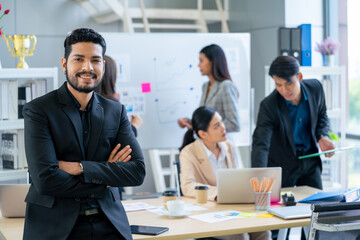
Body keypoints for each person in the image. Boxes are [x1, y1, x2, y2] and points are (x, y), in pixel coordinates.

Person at [22, 28, 145, 240]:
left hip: (110, 224)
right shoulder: (38, 110)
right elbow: (46, 180)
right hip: (56, 228)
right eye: (78, 59)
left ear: (103, 66)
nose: (87, 67)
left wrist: (79, 168)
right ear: (64, 63)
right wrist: (105, 177)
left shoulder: (116, 111)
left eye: (95, 60)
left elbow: (136, 171)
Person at [179, 106, 271, 240]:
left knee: (264, 231)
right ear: (203, 134)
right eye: (216, 126)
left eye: (221, 122)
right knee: (240, 236)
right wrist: (217, 193)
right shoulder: (189, 152)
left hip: (232, 211)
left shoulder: (228, 146)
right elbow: (187, 186)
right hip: (207, 215)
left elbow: (239, 176)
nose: (223, 127)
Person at [251, 56, 335, 190]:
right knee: (279, 207)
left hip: (310, 161)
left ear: (299, 77)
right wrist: (259, 177)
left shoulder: (316, 88)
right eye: (278, 85)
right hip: (282, 164)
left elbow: (321, 115)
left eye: (289, 83)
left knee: (316, 204)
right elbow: (261, 144)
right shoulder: (269, 105)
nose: (284, 90)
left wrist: (322, 136)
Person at [178, 44, 242, 166]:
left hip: (223, 150)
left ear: (213, 62)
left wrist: (212, 130)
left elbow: (234, 124)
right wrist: (191, 122)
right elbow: (207, 121)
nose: (198, 65)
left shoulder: (226, 86)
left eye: (201, 60)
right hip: (206, 149)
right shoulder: (205, 87)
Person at [94, 55, 143, 137]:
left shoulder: (88, 101)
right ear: (111, 76)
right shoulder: (111, 105)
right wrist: (134, 126)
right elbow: (124, 141)